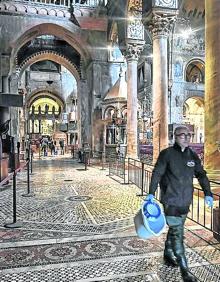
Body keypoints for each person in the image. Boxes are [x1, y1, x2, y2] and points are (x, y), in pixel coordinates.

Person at [146, 126, 213, 282]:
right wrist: (151, 193)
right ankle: (185, 271)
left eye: (189, 135)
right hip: (170, 201)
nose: (187, 138)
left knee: (176, 229)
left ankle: (168, 254)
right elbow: (157, 173)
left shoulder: (192, 156)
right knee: (178, 234)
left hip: (185, 201)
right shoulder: (167, 154)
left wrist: (208, 193)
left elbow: (201, 175)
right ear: (174, 136)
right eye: (183, 135)